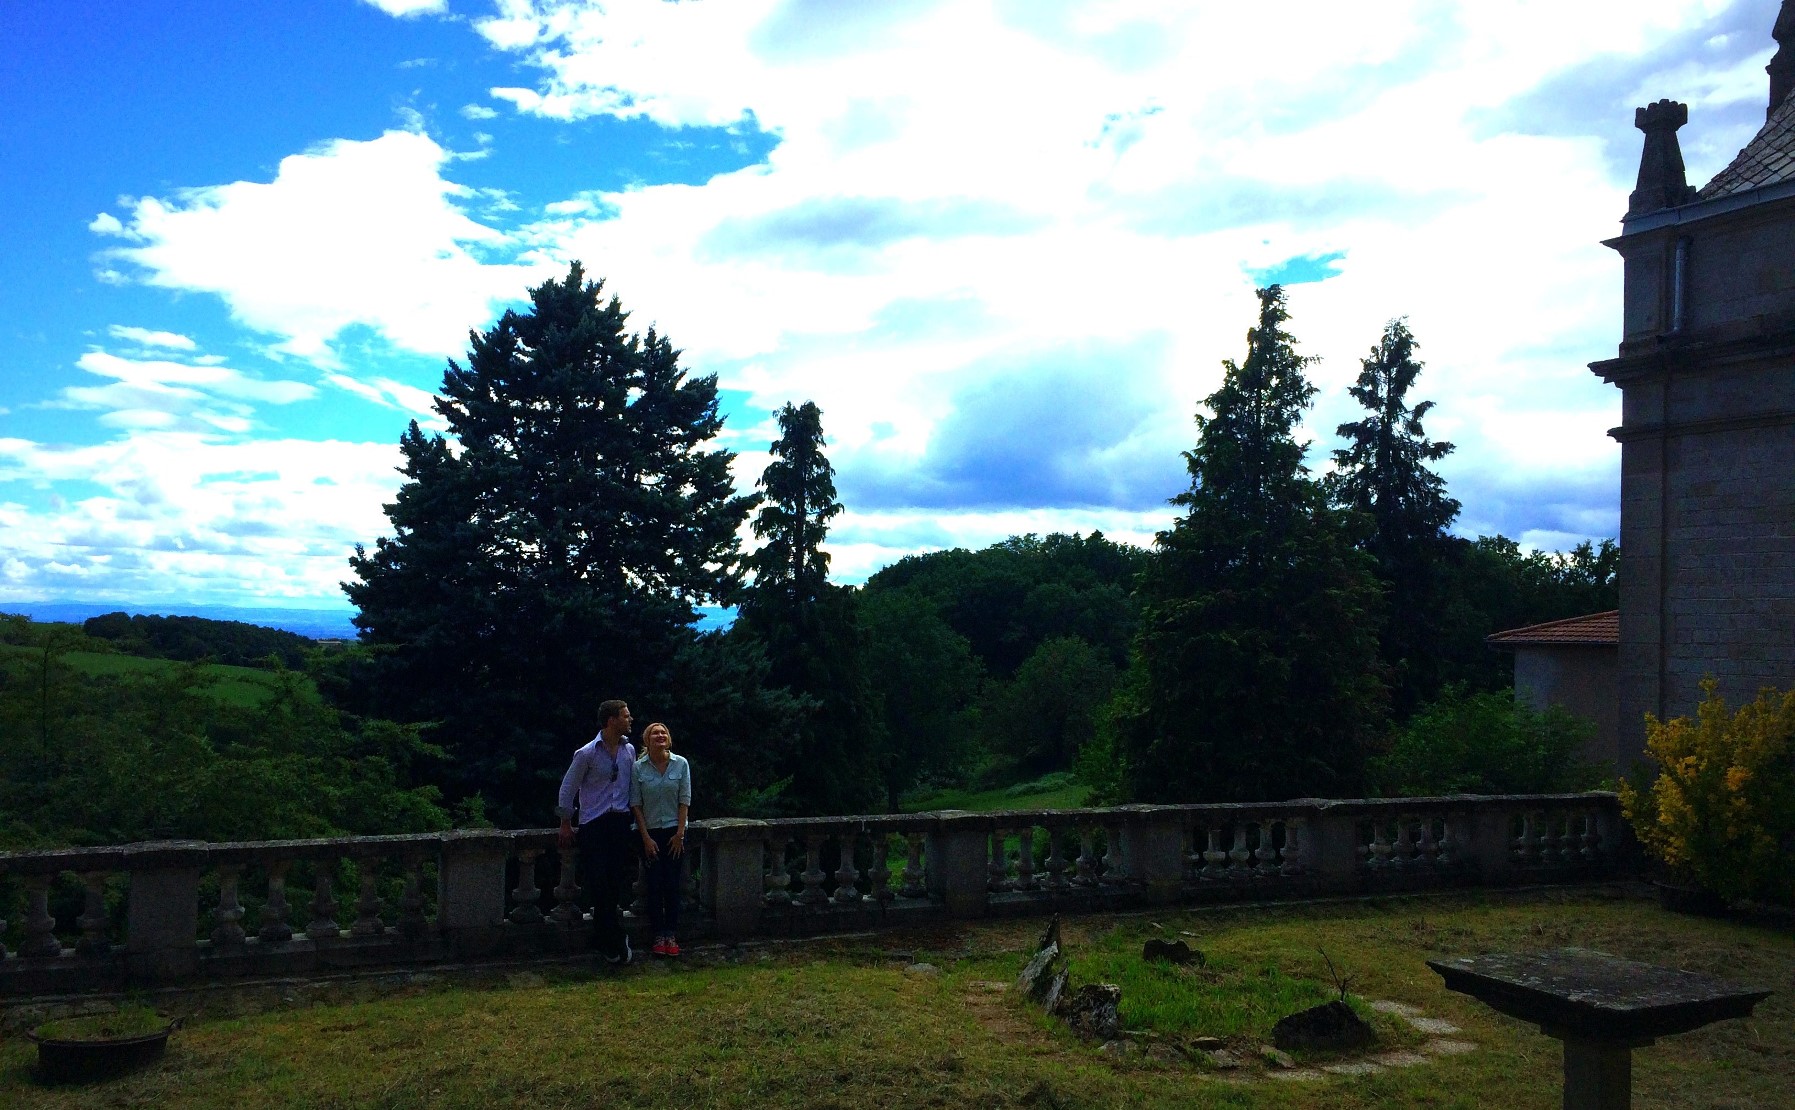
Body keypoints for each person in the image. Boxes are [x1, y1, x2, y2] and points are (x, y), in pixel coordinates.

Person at [557, 699, 636, 964]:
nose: (630, 720)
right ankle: (613, 937)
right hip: (594, 823)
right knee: (599, 883)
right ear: (611, 721)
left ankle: (606, 941)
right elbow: (568, 788)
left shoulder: (629, 751)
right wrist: (566, 823)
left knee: (614, 884)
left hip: (620, 822)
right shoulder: (587, 753)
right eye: (626, 716)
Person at [630, 721, 692, 957]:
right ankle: (658, 934)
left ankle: (671, 934)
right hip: (650, 832)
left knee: (672, 885)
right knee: (654, 885)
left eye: (663, 732)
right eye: (654, 733)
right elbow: (635, 804)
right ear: (647, 740)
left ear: (669, 738)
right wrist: (645, 838)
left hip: (674, 833)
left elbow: (684, 800)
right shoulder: (639, 768)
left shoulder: (681, 764)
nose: (659, 735)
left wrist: (680, 834)